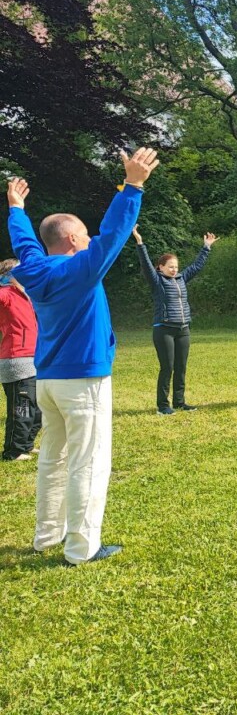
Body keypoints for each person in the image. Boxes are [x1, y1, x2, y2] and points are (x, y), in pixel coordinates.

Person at [6, 147, 160, 566]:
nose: (91, 238)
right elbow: (112, 235)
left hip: (48, 381)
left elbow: (25, 242)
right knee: (88, 462)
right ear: (73, 240)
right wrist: (133, 185)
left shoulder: (34, 269)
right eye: (85, 234)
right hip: (81, 382)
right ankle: (81, 549)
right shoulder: (81, 269)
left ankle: (46, 536)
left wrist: (17, 210)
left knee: (54, 458)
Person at [132, 226, 217, 414]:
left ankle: (180, 402)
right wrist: (140, 242)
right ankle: (163, 406)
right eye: (170, 266)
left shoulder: (181, 278)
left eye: (176, 266)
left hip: (183, 329)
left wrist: (206, 247)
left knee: (181, 367)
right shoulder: (157, 281)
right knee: (167, 367)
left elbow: (196, 266)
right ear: (161, 267)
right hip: (164, 329)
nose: (174, 269)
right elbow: (146, 264)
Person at [0, 259, 41, 461]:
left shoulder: (25, 296)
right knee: (22, 408)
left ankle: (25, 444)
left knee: (39, 407)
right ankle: (13, 451)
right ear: (9, 275)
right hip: (16, 360)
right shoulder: (6, 294)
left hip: (33, 358)